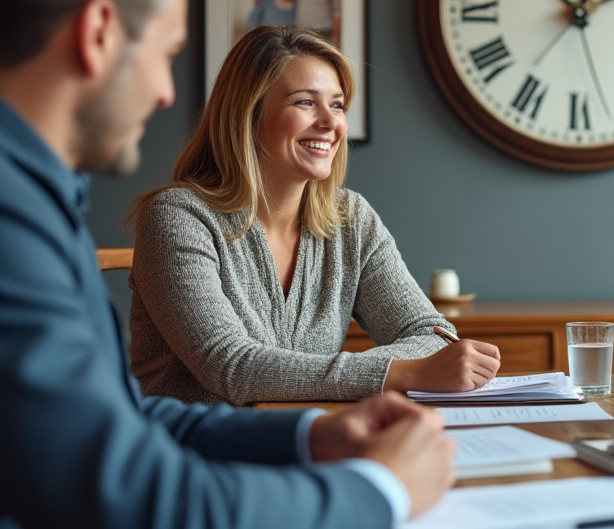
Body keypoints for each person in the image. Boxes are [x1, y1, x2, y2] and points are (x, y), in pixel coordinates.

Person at [0, 0, 455, 529]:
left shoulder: (39, 204)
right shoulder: (20, 222)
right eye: (167, 54)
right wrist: (385, 488)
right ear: (99, 33)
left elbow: (129, 420)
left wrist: (313, 435)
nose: (166, 94)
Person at [129, 25, 502, 405]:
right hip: (193, 453)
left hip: (311, 440)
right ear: (248, 112)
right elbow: (230, 366)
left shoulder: (350, 219)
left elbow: (430, 333)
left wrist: (400, 368)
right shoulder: (178, 217)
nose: (330, 123)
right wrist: (398, 372)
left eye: (337, 104)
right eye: (305, 102)